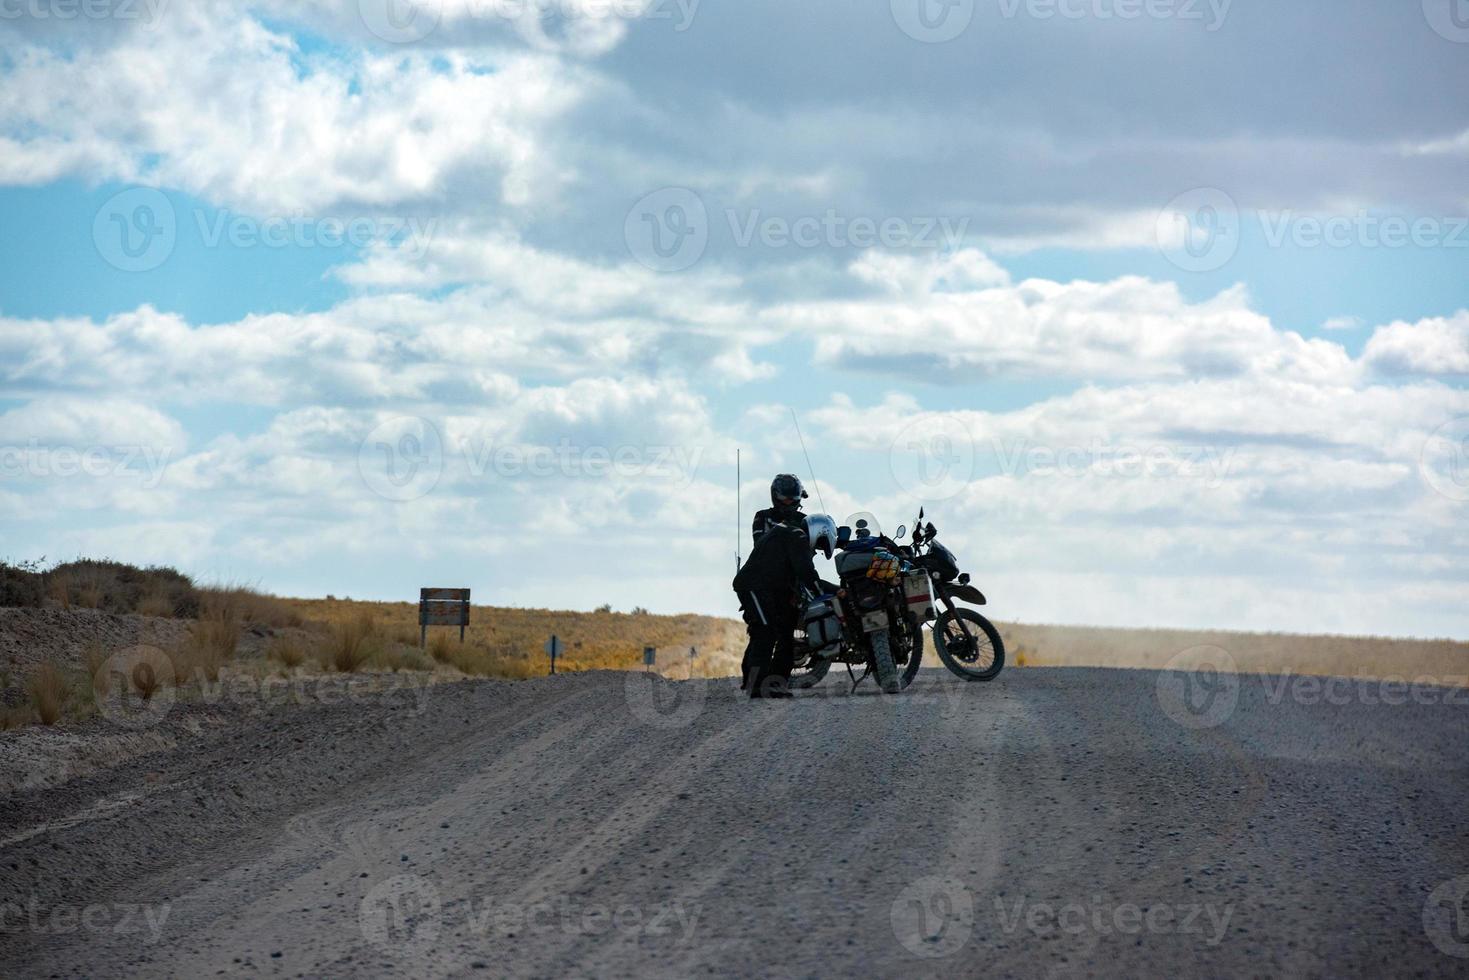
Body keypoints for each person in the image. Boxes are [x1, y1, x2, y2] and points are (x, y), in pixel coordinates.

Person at [732, 513, 837, 699]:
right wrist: (825, 592)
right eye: (820, 543)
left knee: (773, 629)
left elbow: (796, 572)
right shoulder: (797, 537)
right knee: (765, 630)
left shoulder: (789, 532)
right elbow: (806, 572)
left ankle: (761, 681)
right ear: (818, 531)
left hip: (762, 586)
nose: (816, 549)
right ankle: (757, 687)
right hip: (755, 586)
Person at [751, 474, 808, 545]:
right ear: (775, 495)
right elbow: (760, 544)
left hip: (801, 555)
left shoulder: (805, 520)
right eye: (784, 498)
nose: (788, 502)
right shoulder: (763, 516)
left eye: (792, 498)